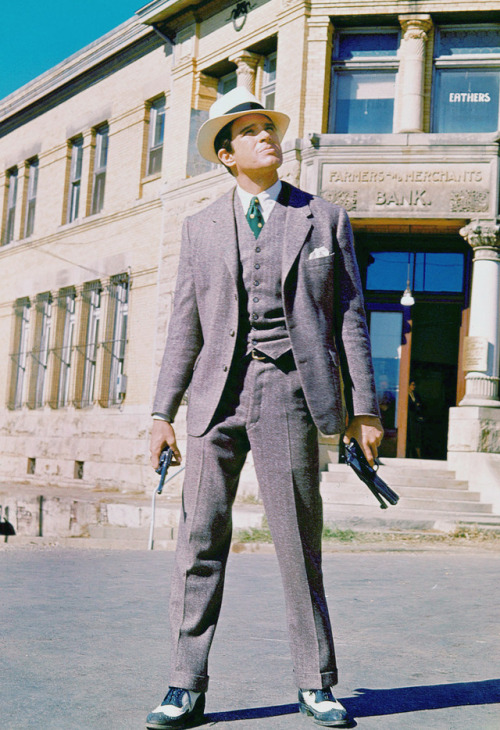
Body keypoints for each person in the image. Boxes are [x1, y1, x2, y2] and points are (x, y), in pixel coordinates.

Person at [147, 86, 383, 730]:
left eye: (268, 128)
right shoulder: (198, 228)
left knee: (297, 542)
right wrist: (161, 413)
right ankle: (184, 685)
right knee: (199, 539)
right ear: (226, 155)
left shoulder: (324, 219)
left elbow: (351, 321)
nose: (267, 138)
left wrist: (365, 409)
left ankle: (316, 682)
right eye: (249, 132)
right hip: (213, 400)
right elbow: (182, 327)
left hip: (291, 395)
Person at [407, 380, 424, 458]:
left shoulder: (416, 395)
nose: (414, 386)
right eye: (412, 384)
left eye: (414, 385)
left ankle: (418, 455)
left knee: (416, 437)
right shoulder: (405, 395)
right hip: (409, 420)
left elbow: (420, 405)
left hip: (416, 420)